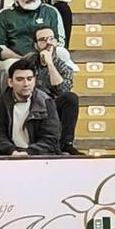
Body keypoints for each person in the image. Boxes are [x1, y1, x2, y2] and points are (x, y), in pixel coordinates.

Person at [0, 0, 64, 84]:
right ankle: (9, 101)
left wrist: (44, 58)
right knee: (7, 66)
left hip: (47, 58)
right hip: (16, 60)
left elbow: (60, 42)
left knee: (62, 53)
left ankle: (59, 98)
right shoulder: (4, 15)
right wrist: (23, 60)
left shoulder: (51, 12)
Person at [0, 55, 59, 155]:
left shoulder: (46, 101)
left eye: (29, 79)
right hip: (9, 154)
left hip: (39, 155)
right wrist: (12, 151)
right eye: (20, 79)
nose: (26, 84)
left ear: (35, 81)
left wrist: (29, 152)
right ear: (10, 82)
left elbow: (50, 137)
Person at [23, 25, 77, 153]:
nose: (48, 43)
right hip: (29, 106)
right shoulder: (28, 61)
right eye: (42, 40)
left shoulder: (64, 67)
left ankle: (66, 144)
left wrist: (50, 64)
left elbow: (62, 91)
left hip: (51, 109)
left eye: (51, 39)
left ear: (56, 42)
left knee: (71, 98)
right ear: (36, 45)